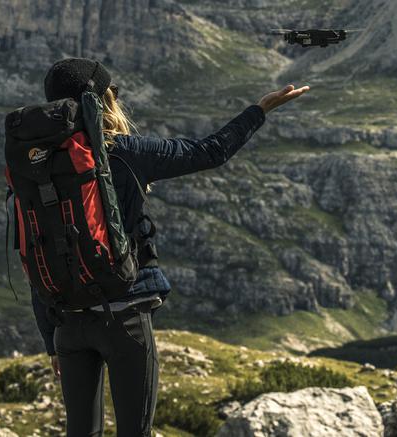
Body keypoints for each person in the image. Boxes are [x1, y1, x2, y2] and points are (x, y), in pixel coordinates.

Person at [31, 57, 310, 436]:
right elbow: (210, 151)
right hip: (125, 317)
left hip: (68, 323)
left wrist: (50, 338)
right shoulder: (125, 152)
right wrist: (259, 110)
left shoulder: (35, 168)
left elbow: (36, 253)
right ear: (104, 102)